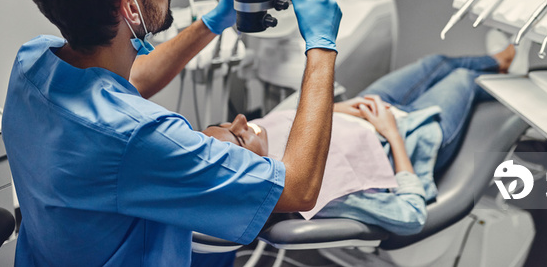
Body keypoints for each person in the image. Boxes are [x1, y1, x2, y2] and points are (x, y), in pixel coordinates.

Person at [1, 0, 342, 266]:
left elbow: (126, 86)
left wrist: (214, 21)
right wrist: (322, 46)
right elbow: (298, 188)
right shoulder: (141, 138)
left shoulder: (32, 62)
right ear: (131, 9)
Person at [203, 45, 516, 235]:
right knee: (462, 78)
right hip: (412, 133)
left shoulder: (258, 133)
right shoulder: (319, 193)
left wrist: (336, 109)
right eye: (238, 136)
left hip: (367, 112)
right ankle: (518, 78)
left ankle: (501, 61)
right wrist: (392, 133)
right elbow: (410, 216)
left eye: (226, 124)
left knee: (435, 63)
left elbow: (295, 120)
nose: (242, 121)